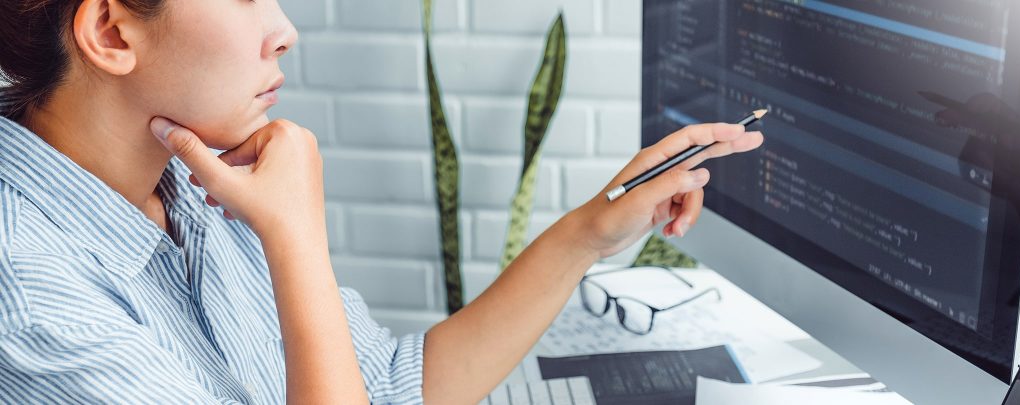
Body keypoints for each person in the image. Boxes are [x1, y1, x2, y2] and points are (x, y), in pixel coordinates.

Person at [0, 0, 764, 403]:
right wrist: (296, 237)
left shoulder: (184, 191)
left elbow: (393, 388)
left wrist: (590, 231)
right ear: (109, 30)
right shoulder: (28, 297)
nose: (284, 31)